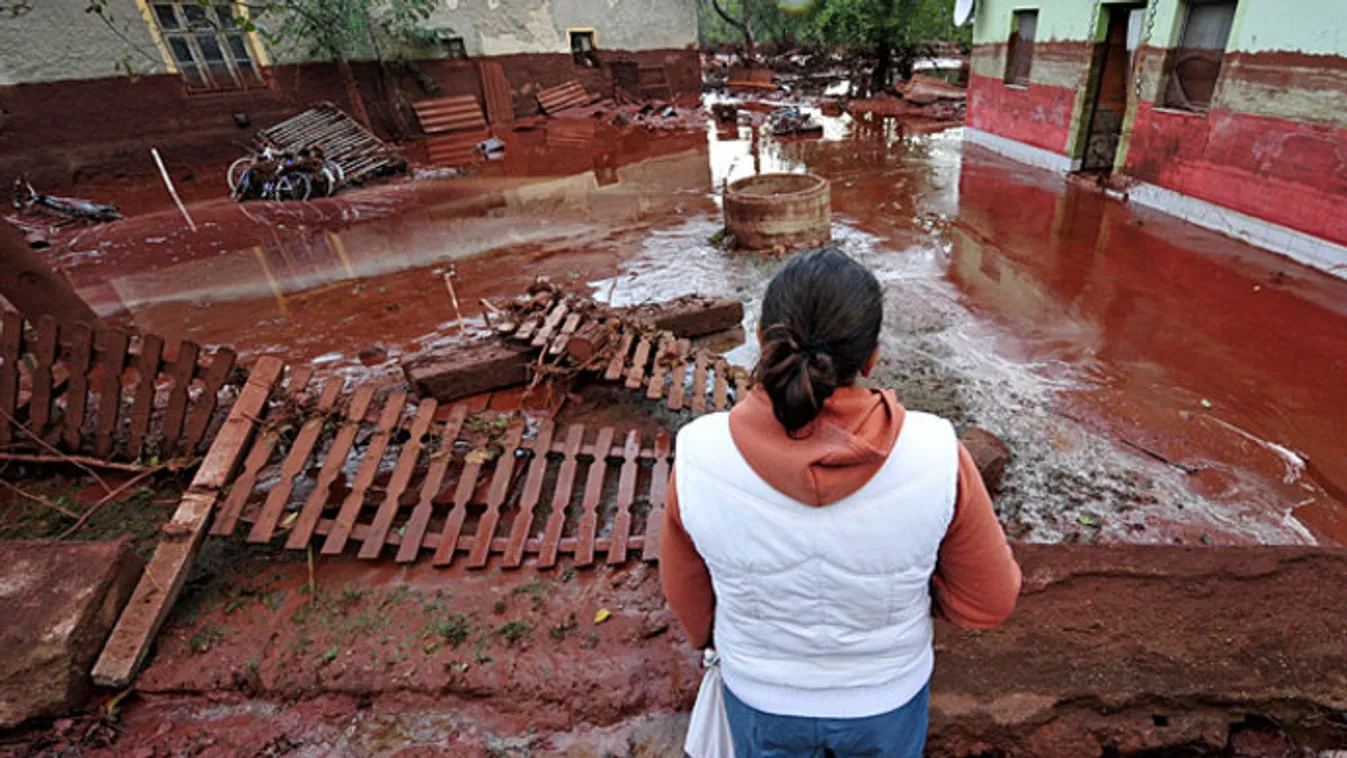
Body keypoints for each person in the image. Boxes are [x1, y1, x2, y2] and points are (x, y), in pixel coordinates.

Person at [660, 248, 1022, 757]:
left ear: (764, 342)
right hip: (886, 698)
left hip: (760, 696)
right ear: (871, 358)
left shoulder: (698, 452)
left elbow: (689, 601)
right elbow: (989, 601)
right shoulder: (938, 452)